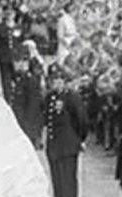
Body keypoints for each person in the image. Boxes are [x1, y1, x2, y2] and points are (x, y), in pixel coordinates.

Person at [44, 64, 87, 197]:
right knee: (58, 183)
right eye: (53, 80)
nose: (56, 83)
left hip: (67, 146)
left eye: (59, 79)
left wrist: (80, 139)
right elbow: (47, 119)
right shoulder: (49, 98)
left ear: (64, 81)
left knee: (68, 183)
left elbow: (81, 120)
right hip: (54, 147)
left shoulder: (71, 97)